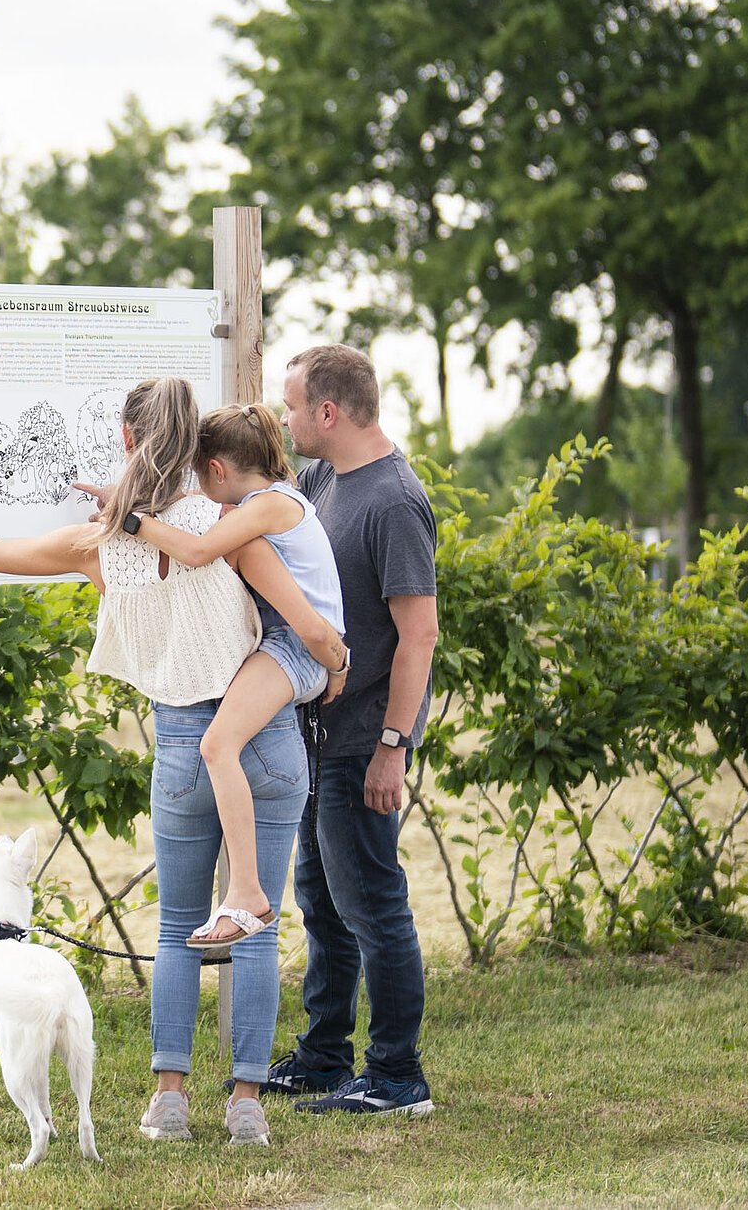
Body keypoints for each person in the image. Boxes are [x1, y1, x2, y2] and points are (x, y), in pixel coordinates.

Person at [0, 375, 323, 1146]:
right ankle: (246, 1104)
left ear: (128, 438)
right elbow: (298, 613)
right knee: (258, 928)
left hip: (183, 746)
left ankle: (169, 1098)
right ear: (196, 441)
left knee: (177, 929)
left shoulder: (100, 541)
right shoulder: (229, 524)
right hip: (264, 735)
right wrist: (332, 662)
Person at [262, 344, 440, 1118]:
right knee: (323, 902)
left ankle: (397, 1075)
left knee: (372, 903)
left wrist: (393, 746)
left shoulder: (394, 500)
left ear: (328, 412)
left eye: (293, 405)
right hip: (317, 735)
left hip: (365, 739)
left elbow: (419, 634)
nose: (286, 418)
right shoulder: (322, 479)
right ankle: (325, 1054)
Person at [121, 402, 347, 949]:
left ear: (217, 469)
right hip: (295, 645)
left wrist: (132, 520)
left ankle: (247, 892)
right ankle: (246, 892)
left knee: (217, 744)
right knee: (220, 745)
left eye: (199, 473)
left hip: (298, 647)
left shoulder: (268, 507)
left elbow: (199, 550)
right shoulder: (273, 498)